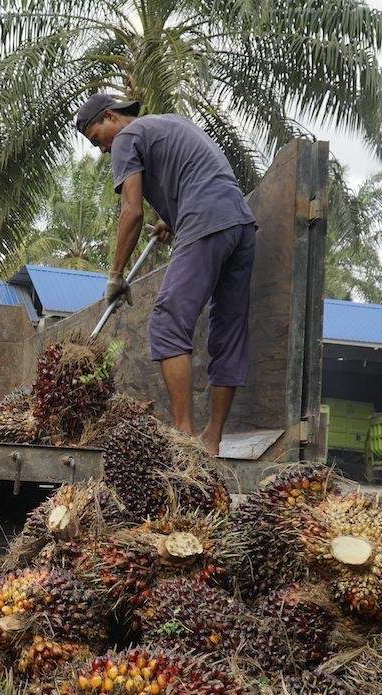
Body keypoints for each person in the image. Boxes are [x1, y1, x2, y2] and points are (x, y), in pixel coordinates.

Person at [76, 92, 257, 453]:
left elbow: (132, 212)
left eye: (97, 140)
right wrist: (173, 219)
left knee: (167, 322)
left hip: (205, 221)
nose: (102, 150)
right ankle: (212, 440)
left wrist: (115, 274)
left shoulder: (127, 136)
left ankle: (184, 440)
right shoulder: (173, 122)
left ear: (110, 115)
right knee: (228, 334)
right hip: (240, 224)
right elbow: (199, 176)